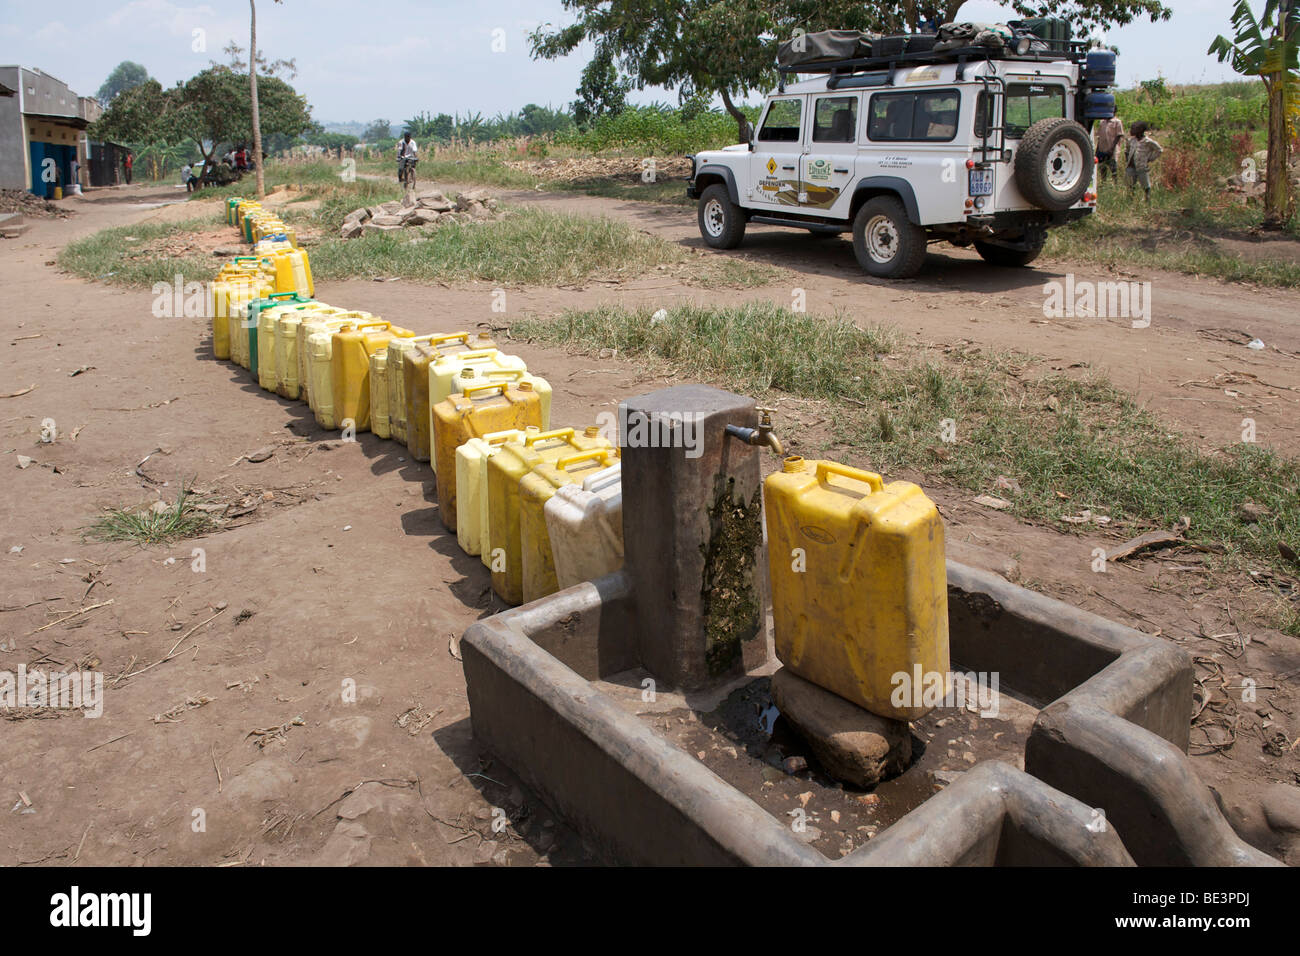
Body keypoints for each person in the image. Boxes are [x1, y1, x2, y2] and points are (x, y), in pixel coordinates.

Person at [1124, 121, 1163, 202]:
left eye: (1133, 129)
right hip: (1131, 166)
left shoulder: (1147, 141)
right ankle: (1130, 200)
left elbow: (1159, 150)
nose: (1131, 131)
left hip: (1141, 166)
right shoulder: (1131, 140)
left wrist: (1150, 158)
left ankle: (1147, 199)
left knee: (1145, 185)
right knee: (1130, 185)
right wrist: (1127, 159)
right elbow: (1127, 150)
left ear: (1140, 130)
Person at [1094, 114, 1124, 182]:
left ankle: (1115, 183)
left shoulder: (1117, 122)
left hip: (1111, 149)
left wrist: (1112, 148)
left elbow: (1118, 135)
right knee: (1102, 167)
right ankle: (1103, 182)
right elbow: (1100, 137)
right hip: (1102, 148)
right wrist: (1097, 149)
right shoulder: (1102, 122)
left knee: (1113, 167)